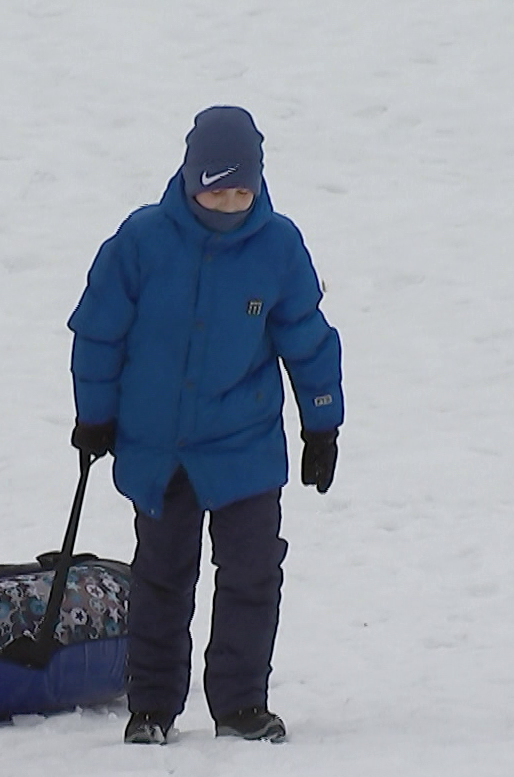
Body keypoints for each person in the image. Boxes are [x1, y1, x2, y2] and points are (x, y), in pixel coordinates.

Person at [67, 106, 343, 745]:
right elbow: (99, 334)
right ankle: (153, 706)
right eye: (218, 188)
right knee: (162, 577)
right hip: (159, 448)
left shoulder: (277, 247)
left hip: (243, 445)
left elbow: (307, 338)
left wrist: (321, 424)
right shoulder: (140, 242)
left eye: (242, 189)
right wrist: (94, 417)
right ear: (191, 178)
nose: (230, 201)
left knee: (252, 572)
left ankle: (242, 702)